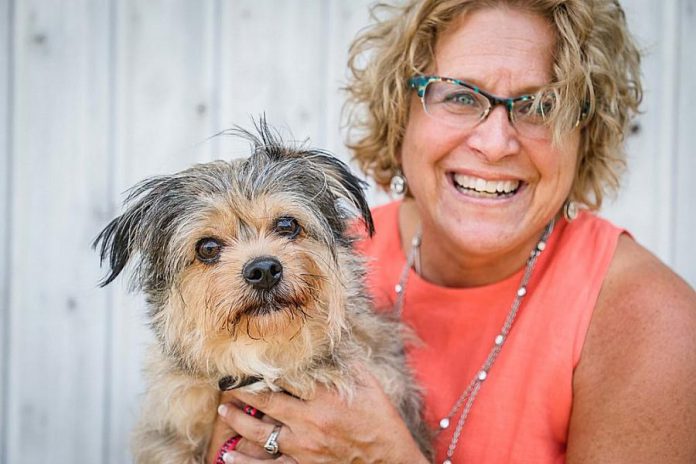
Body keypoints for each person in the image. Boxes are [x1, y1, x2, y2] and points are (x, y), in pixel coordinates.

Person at [206, 0, 696, 462]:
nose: (496, 142)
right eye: (460, 95)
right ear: (402, 111)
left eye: (541, 106)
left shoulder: (653, 322)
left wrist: (388, 456)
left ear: (585, 134)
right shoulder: (308, 261)